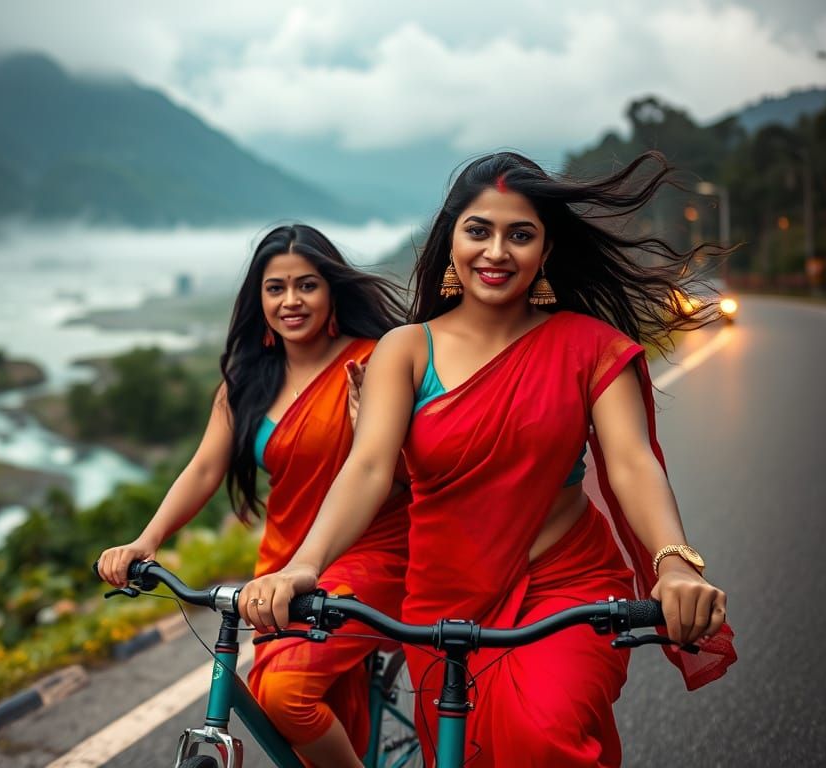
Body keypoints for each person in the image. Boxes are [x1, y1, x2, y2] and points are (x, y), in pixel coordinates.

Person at [238, 152, 738, 766]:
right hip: (443, 602)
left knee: (542, 735)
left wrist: (675, 564)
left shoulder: (589, 347)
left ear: (545, 251)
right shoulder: (406, 350)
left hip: (566, 588)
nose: (496, 251)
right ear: (451, 240)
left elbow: (632, 463)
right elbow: (367, 468)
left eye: (520, 235)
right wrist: (304, 566)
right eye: (479, 231)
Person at [96, 223, 411, 767]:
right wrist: (146, 541)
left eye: (307, 285)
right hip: (282, 561)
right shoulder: (246, 382)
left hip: (373, 554)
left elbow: (402, 472)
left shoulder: (374, 362)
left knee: (285, 693)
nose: (291, 301)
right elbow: (203, 469)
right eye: (275, 288)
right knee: (285, 705)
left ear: (332, 291)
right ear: (258, 300)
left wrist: (370, 424)